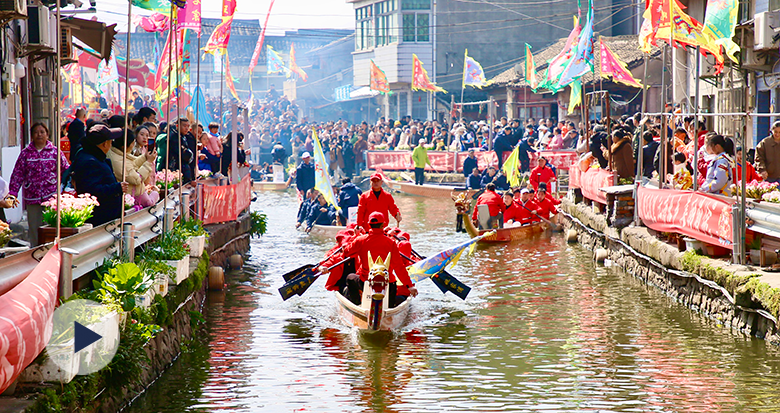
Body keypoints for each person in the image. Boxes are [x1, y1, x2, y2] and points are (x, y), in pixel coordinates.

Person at [7, 123, 70, 246]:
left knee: (51, 228)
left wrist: (64, 190)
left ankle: (51, 253)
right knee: (34, 229)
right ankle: (35, 253)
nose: (39, 134)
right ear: (31, 136)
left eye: (42, 132)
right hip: (33, 198)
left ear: (47, 134)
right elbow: (17, 174)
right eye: (36, 132)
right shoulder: (26, 154)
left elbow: (66, 170)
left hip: (51, 198)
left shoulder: (55, 152)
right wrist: (13, 193)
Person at [339, 211, 418, 306]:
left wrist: (354, 237)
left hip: (366, 282)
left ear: (369, 225)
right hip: (388, 285)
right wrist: (409, 286)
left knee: (350, 278)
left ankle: (358, 304)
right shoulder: (391, 243)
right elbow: (399, 267)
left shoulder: (360, 240)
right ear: (382, 225)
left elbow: (347, 252)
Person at [71, 125, 129, 226]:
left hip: (107, 220)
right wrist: (117, 188)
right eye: (110, 142)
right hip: (100, 221)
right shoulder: (90, 161)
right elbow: (90, 191)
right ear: (104, 144)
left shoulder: (94, 157)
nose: (111, 144)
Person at [107, 127, 159, 208]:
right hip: (133, 194)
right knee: (149, 203)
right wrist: (148, 162)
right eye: (132, 143)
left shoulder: (119, 154)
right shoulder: (118, 160)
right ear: (124, 146)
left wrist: (145, 157)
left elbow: (133, 164)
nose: (133, 145)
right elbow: (136, 179)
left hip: (137, 192)